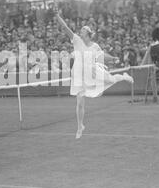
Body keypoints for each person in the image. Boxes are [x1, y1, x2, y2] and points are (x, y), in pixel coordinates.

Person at [56, 11, 134, 139]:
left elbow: (102, 56)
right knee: (80, 102)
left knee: (112, 79)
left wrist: (113, 58)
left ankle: (125, 76)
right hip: (79, 75)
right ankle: (80, 126)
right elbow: (65, 28)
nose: (80, 32)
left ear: (88, 34)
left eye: (82, 31)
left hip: (93, 72)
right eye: (80, 30)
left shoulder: (95, 46)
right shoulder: (76, 40)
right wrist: (58, 16)